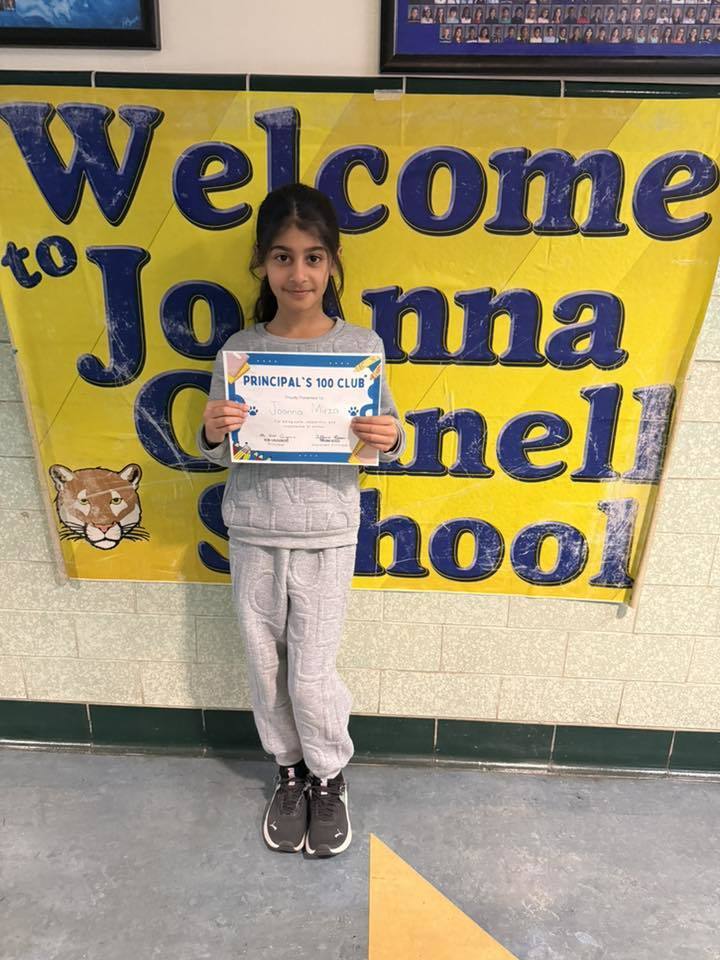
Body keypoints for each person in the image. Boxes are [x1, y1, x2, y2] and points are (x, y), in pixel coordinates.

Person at [197, 184, 406, 858]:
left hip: (326, 534)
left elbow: (384, 440)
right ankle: (288, 772)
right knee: (264, 666)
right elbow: (219, 446)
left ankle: (328, 774)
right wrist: (211, 429)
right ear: (261, 264)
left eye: (313, 258)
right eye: (284, 258)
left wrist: (388, 435)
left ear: (334, 264)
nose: (299, 274)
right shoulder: (240, 351)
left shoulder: (360, 347)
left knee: (310, 672)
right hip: (256, 528)